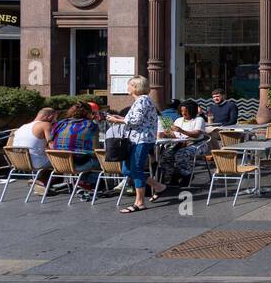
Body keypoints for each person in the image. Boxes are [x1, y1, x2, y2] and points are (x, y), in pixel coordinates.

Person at [107, 75, 168, 213]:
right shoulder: (141, 101)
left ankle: (139, 202)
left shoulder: (142, 101)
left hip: (141, 139)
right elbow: (137, 119)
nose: (127, 87)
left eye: (129, 85)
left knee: (136, 169)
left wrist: (118, 121)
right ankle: (158, 186)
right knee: (127, 170)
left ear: (135, 87)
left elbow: (136, 121)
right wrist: (121, 118)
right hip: (136, 139)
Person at [49, 103, 101, 190]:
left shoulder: (60, 124)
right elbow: (96, 149)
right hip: (77, 164)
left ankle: (81, 181)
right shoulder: (90, 125)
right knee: (100, 160)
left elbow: (52, 141)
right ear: (88, 113)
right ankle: (86, 182)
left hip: (58, 163)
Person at [12, 108, 56, 192]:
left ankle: (43, 183)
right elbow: (52, 145)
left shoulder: (22, 126)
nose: (55, 121)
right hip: (36, 163)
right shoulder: (45, 124)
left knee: (51, 160)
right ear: (49, 117)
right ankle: (41, 182)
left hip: (18, 163)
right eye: (55, 118)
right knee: (60, 162)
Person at [164, 100, 207, 184]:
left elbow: (196, 134)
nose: (183, 113)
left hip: (197, 144)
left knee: (180, 154)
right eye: (182, 111)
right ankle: (174, 175)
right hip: (180, 144)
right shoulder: (179, 120)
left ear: (192, 111)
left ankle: (187, 175)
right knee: (165, 154)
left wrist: (181, 131)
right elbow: (175, 136)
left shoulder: (198, 119)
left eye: (186, 111)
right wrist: (168, 133)